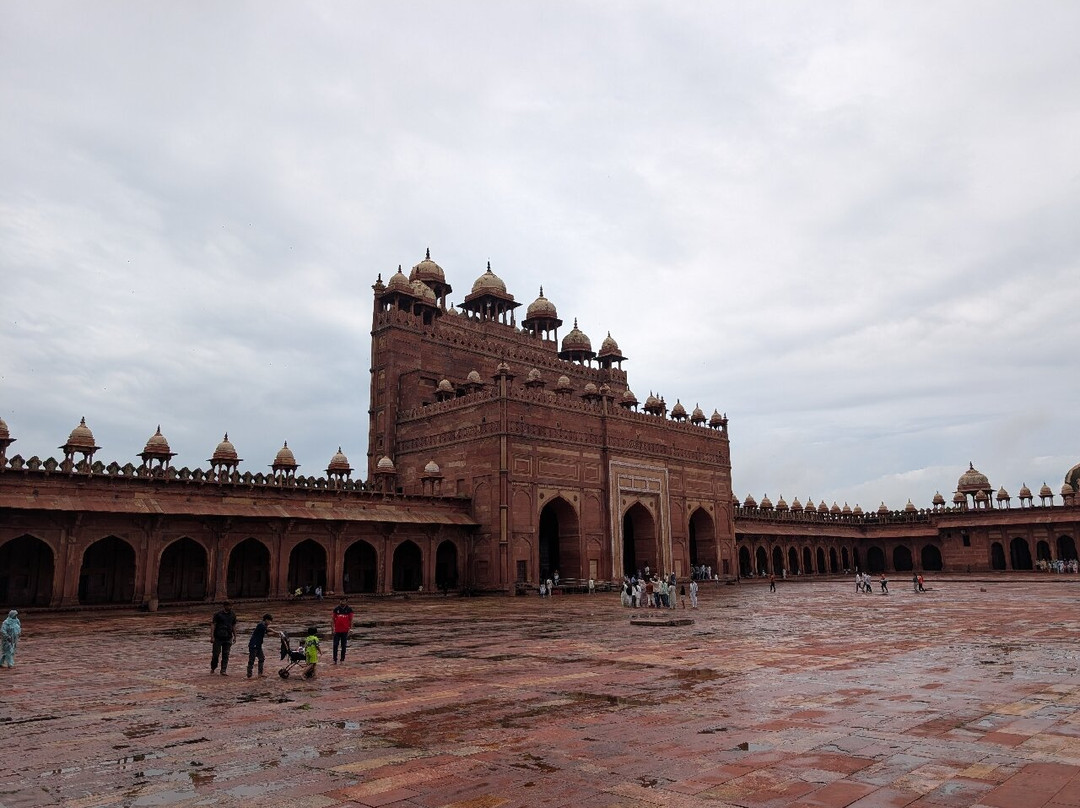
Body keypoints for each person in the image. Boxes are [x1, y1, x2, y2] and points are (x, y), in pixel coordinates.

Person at [210, 601, 237, 676]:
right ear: (225, 606)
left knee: (226, 654)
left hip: (228, 637)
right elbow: (213, 625)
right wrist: (212, 636)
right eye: (229, 606)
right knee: (216, 654)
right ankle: (213, 667)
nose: (230, 607)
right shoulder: (218, 614)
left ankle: (223, 670)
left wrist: (235, 636)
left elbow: (233, 625)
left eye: (231, 606)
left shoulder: (233, 614)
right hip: (218, 637)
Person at [246, 613, 273, 678]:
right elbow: (268, 630)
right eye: (269, 621)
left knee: (261, 658)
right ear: (266, 620)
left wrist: (277, 634)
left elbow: (268, 633)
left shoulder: (263, 626)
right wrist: (276, 632)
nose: (270, 622)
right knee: (252, 659)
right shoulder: (261, 625)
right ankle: (249, 674)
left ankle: (260, 673)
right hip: (254, 645)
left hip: (258, 645)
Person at [332, 598, 354, 664]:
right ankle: (335, 659)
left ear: (346, 602)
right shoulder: (336, 609)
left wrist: (351, 629)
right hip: (337, 630)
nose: (342, 602)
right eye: (341, 601)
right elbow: (333, 619)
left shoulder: (349, 609)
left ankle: (342, 659)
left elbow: (351, 620)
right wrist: (332, 629)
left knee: (343, 645)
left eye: (344, 601)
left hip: (345, 630)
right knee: (335, 645)